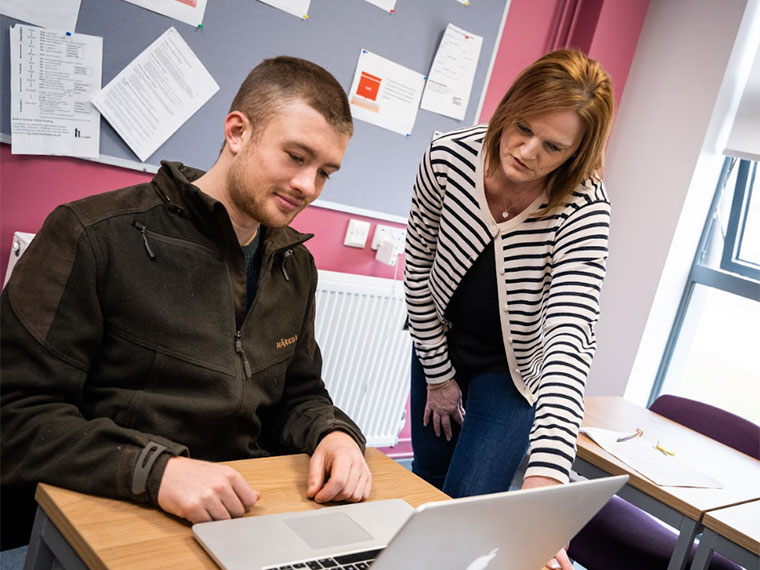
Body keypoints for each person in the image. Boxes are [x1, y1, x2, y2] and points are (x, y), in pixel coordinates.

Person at [0, 56, 372, 552]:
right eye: (296, 156)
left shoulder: (293, 265)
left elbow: (299, 395)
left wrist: (334, 433)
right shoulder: (91, 235)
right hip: (117, 510)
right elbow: (17, 415)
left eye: (326, 172)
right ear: (237, 132)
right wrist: (156, 471)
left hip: (243, 515)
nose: (308, 186)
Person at [404, 49, 614, 570]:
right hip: (440, 343)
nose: (526, 151)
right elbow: (417, 274)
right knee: (424, 482)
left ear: (577, 153)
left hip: (514, 371)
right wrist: (438, 375)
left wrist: (543, 492)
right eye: (522, 128)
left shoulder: (584, 208)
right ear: (510, 106)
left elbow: (569, 340)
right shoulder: (447, 157)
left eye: (553, 146)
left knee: (470, 506)